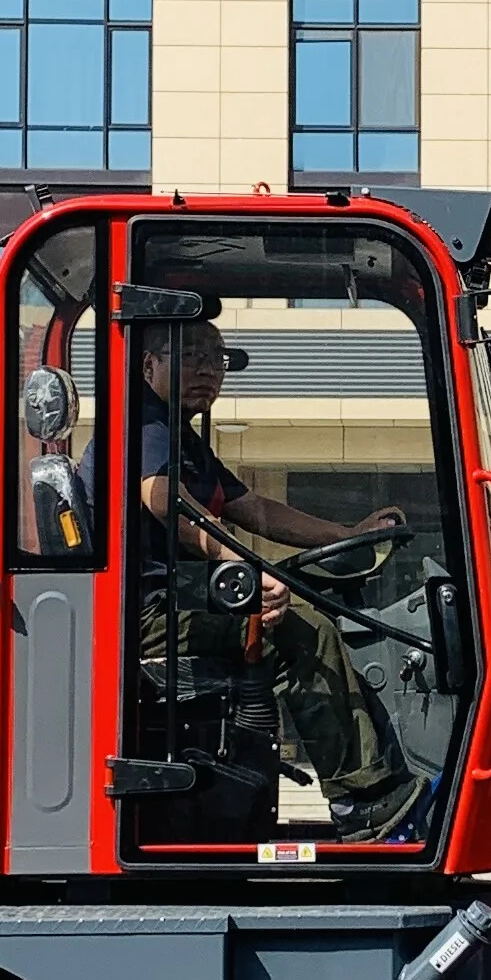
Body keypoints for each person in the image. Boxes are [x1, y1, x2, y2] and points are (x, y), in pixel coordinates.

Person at [130, 321, 425, 836]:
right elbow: (161, 498)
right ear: (148, 365)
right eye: (191, 354)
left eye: (216, 358)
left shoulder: (185, 440)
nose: (206, 368)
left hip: (183, 602)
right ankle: (360, 799)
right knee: (304, 632)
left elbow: (257, 510)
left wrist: (348, 532)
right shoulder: (143, 425)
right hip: (146, 616)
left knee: (310, 615)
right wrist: (240, 565)